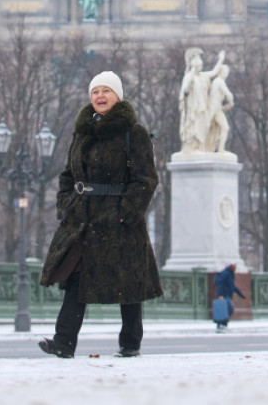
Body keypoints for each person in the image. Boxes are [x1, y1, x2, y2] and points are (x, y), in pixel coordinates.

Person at [38, 71, 163, 359]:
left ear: (118, 96)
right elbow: (68, 174)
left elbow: (146, 178)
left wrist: (126, 212)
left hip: (120, 219)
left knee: (129, 283)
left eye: (106, 91)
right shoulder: (82, 131)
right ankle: (63, 342)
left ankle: (130, 343)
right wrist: (66, 202)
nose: (100, 96)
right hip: (84, 218)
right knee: (77, 279)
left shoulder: (135, 133)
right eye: (96, 91)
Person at [213, 263, 246, 331]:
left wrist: (240, 294)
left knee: (226, 309)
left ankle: (222, 324)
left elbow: (232, 286)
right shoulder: (226, 273)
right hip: (224, 295)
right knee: (228, 309)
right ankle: (222, 324)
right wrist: (220, 295)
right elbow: (221, 284)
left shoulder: (230, 274)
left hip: (227, 294)